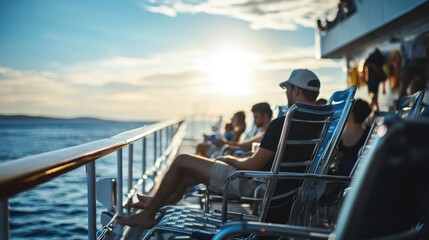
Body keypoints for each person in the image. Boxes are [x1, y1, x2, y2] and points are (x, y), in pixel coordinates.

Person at [115, 69, 321, 228]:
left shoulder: (282, 123)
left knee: (182, 161)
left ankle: (148, 215)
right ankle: (155, 204)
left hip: (253, 182)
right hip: (280, 188)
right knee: (187, 176)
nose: (286, 93)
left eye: (287, 89)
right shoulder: (319, 124)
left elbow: (252, 163)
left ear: (296, 90)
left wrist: (229, 159)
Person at [331, 99, 371, 176]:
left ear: (351, 114)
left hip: (342, 175)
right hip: (359, 174)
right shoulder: (367, 133)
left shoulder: (340, 134)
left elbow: (334, 157)